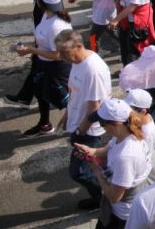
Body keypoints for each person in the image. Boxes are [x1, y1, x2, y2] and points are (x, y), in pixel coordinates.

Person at [75, 99, 155, 228]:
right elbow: (106, 150)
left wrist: (96, 169)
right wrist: (90, 151)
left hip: (123, 217)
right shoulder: (128, 133)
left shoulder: (125, 156)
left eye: (102, 123)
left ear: (116, 124)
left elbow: (114, 197)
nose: (101, 126)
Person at [55, 30, 112, 211]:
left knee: (80, 172)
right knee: (85, 169)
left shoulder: (92, 69)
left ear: (79, 46)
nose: (60, 56)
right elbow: (75, 93)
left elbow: (94, 108)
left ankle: (103, 198)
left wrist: (80, 131)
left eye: (64, 52)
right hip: (78, 124)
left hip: (88, 130)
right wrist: (67, 115)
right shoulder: (77, 61)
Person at [14, 0, 73, 136]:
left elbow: (58, 55)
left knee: (66, 100)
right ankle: (45, 124)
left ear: (39, 3)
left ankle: (80, 124)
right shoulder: (49, 16)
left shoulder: (56, 26)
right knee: (41, 93)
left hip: (56, 69)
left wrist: (31, 50)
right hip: (44, 64)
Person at [4, 0, 54, 107]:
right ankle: (25, 97)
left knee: (40, 70)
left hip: (46, 40)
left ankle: (27, 98)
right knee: (38, 69)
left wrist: (38, 43)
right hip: (41, 38)